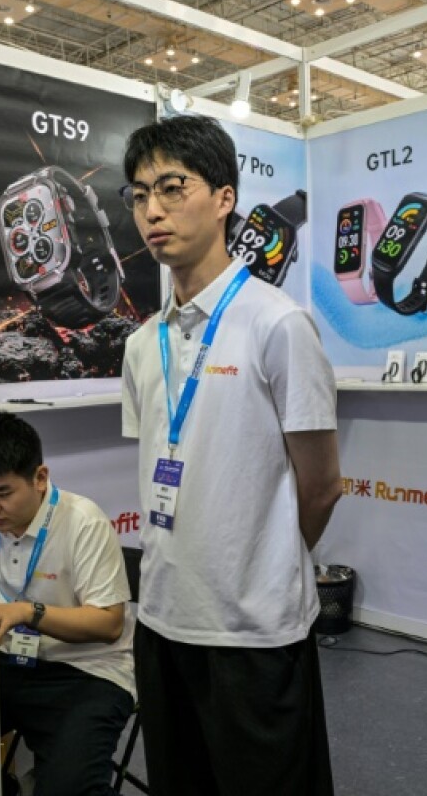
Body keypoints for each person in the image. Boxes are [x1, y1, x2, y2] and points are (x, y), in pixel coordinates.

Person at [119, 114, 343, 795]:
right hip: (161, 620)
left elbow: (323, 485)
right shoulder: (140, 346)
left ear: (224, 199)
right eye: (137, 195)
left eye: (171, 187)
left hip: (253, 631)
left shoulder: (277, 324)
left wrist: (262, 561)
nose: (151, 210)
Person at [0, 411, 134, 796]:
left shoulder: (83, 522)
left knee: (69, 789)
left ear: (40, 477)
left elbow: (108, 624)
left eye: (2, 493)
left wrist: (26, 611)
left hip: (88, 672)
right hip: (8, 666)